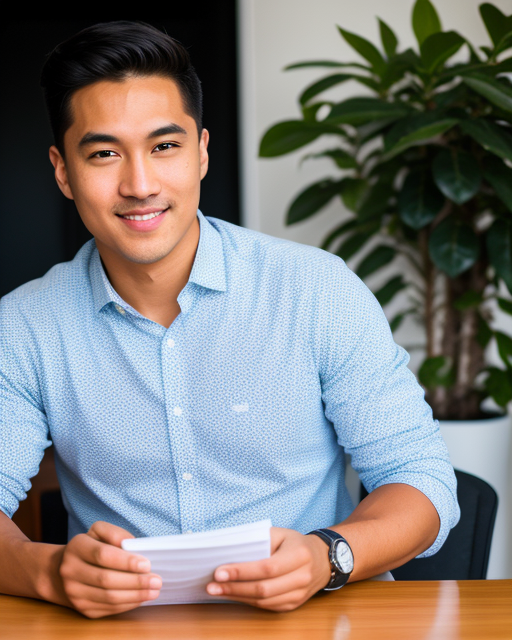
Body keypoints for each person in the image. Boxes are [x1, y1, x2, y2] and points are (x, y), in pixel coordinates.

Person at [0, 21, 459, 619]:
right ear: (64, 171)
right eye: (105, 153)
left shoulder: (315, 289)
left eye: (165, 146)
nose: (140, 185)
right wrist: (48, 571)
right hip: (124, 629)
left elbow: (420, 480)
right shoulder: (26, 325)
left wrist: (328, 556)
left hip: (313, 620)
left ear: (202, 153)